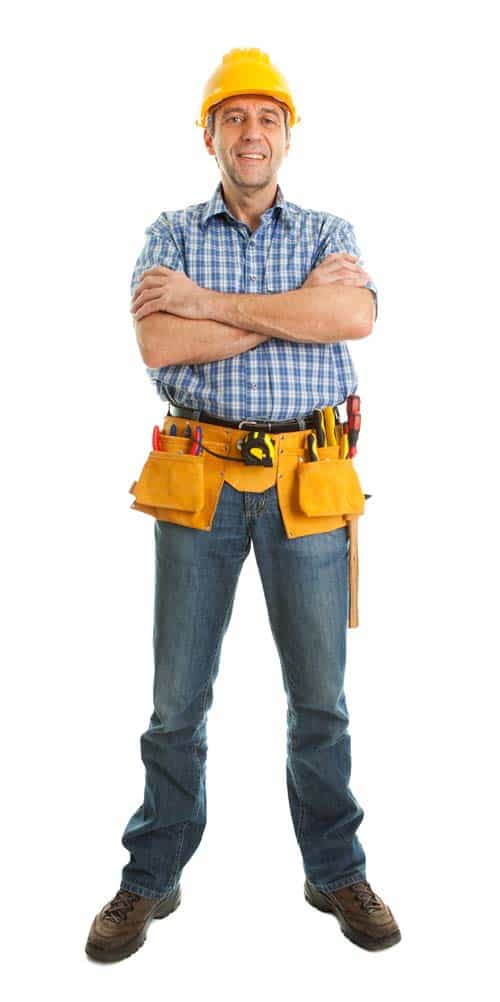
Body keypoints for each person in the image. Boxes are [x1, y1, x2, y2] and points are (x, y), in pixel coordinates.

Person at [86, 47, 401, 963]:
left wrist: (209, 304)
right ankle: (153, 873)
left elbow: (352, 318)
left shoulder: (328, 229)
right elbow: (158, 341)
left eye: (267, 118)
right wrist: (286, 309)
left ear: (287, 136)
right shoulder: (170, 232)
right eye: (234, 118)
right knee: (176, 702)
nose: (251, 133)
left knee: (321, 702)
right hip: (200, 480)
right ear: (210, 136)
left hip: (310, 480)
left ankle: (334, 869)